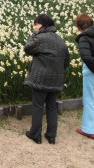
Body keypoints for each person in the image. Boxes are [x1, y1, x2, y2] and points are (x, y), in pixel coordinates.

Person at [24, 14, 70, 144]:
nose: (35, 27)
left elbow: (27, 47)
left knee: (38, 106)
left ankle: (35, 135)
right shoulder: (60, 39)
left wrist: (34, 34)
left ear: (42, 25)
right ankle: (51, 136)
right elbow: (67, 60)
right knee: (52, 107)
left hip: (41, 79)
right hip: (56, 79)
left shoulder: (40, 38)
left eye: (36, 25)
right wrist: (57, 71)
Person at [75, 13, 94, 139]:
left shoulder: (84, 37)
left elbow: (86, 57)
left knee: (90, 99)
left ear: (79, 26)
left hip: (91, 71)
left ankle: (89, 129)